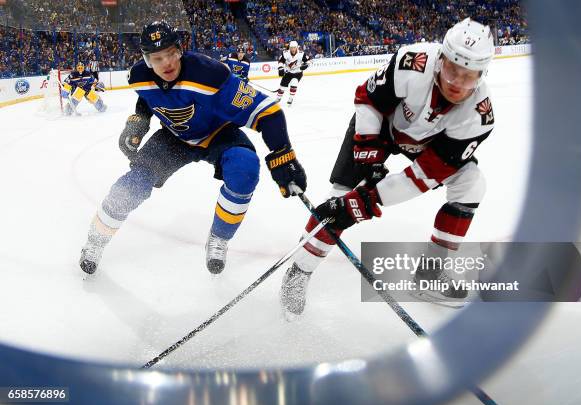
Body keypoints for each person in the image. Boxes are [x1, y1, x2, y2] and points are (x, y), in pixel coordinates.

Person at [280, 18, 496, 315]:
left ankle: (430, 275)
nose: (456, 83)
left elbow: (423, 176)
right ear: (441, 59)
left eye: (469, 76)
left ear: (482, 74)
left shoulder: (478, 117)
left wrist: (369, 200)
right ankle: (300, 270)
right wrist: (368, 153)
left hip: (425, 146)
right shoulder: (413, 61)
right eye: (451, 69)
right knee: (338, 198)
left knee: (471, 184)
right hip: (379, 128)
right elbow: (367, 99)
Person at [78, 21, 307, 275]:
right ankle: (95, 241)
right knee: (133, 183)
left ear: (180, 50)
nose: (166, 63)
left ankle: (219, 238)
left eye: (171, 54)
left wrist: (283, 155)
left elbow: (268, 113)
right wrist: (140, 121)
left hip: (218, 133)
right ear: (147, 60)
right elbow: (146, 98)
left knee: (245, 169)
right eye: (157, 58)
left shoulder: (209, 74)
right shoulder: (139, 76)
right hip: (174, 137)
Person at [276, 41, 311, 106]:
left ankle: (291, 98)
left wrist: (306, 65)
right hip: (288, 73)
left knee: (294, 83)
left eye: (294, 47)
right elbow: (281, 61)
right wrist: (280, 68)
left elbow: (309, 60)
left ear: (297, 47)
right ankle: (278, 98)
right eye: (291, 47)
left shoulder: (301, 54)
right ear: (289, 48)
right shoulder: (285, 53)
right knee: (282, 87)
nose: (293, 49)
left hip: (298, 73)